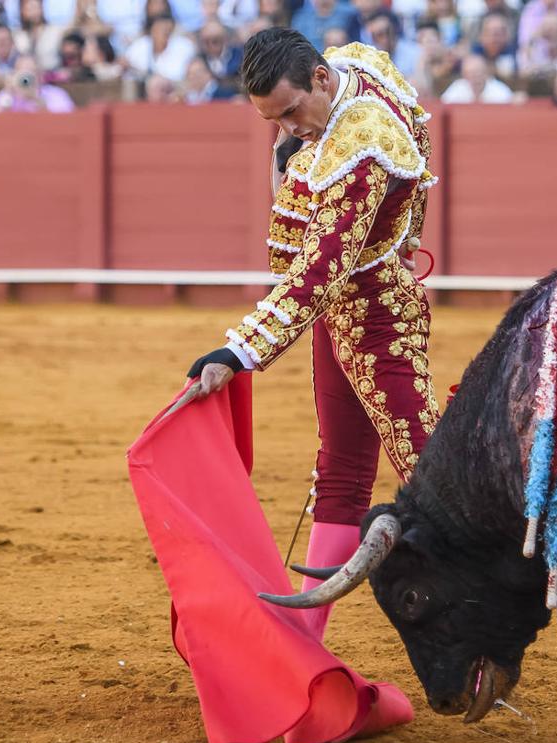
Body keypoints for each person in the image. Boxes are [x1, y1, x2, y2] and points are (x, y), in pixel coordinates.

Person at [185, 28, 441, 607]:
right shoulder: (352, 63)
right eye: (273, 120)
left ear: (319, 79)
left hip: (378, 316)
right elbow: (421, 131)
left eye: (293, 112)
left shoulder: (362, 145)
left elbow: (317, 272)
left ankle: (488, 632)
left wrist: (239, 352)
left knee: (431, 478)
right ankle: (306, 641)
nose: (290, 131)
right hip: (341, 308)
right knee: (341, 472)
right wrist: (408, 230)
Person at [0, 52, 77, 109]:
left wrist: (36, 99)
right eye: (22, 72)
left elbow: (65, 120)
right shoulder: (6, 94)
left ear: (40, 75)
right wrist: (8, 93)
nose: (26, 79)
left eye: (31, 72)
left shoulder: (56, 94)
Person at [441, 49, 515, 99]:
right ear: (464, 76)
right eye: (469, 74)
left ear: (486, 73)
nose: (474, 78)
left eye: (477, 73)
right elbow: (443, 106)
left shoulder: (499, 90)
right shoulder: (458, 87)